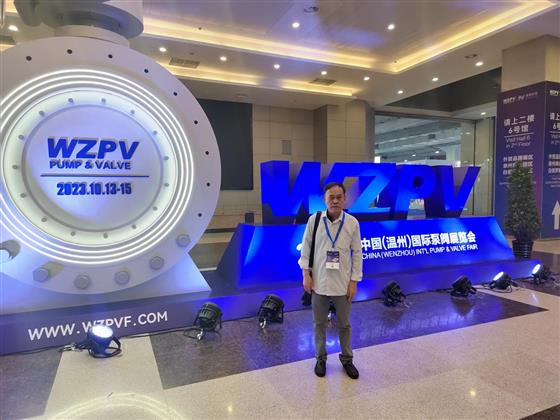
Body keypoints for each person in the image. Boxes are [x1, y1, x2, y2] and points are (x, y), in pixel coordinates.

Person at [299, 182, 363, 379]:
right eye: (331, 197)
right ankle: (321, 358)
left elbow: (357, 253)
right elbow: (306, 248)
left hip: (342, 284)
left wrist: (354, 282)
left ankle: (347, 359)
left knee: (344, 324)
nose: (335, 201)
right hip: (319, 282)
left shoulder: (352, 223)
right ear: (325, 199)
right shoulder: (315, 220)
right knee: (319, 323)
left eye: (338, 197)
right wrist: (306, 275)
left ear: (345, 199)